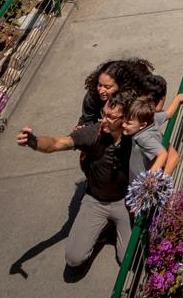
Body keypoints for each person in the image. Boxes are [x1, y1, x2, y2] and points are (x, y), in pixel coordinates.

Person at [17, 93, 135, 269]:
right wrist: (34, 142)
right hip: (96, 201)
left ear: (125, 118)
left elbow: (166, 153)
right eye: (103, 114)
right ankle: (102, 228)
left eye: (110, 117)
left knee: (128, 260)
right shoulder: (92, 133)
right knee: (74, 259)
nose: (103, 120)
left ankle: (111, 229)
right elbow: (58, 143)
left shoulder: (135, 134)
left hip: (124, 202)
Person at [79, 58, 153, 126]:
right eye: (100, 85)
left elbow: (161, 83)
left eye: (107, 87)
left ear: (122, 86)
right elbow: (88, 120)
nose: (101, 91)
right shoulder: (92, 96)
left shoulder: (136, 98)